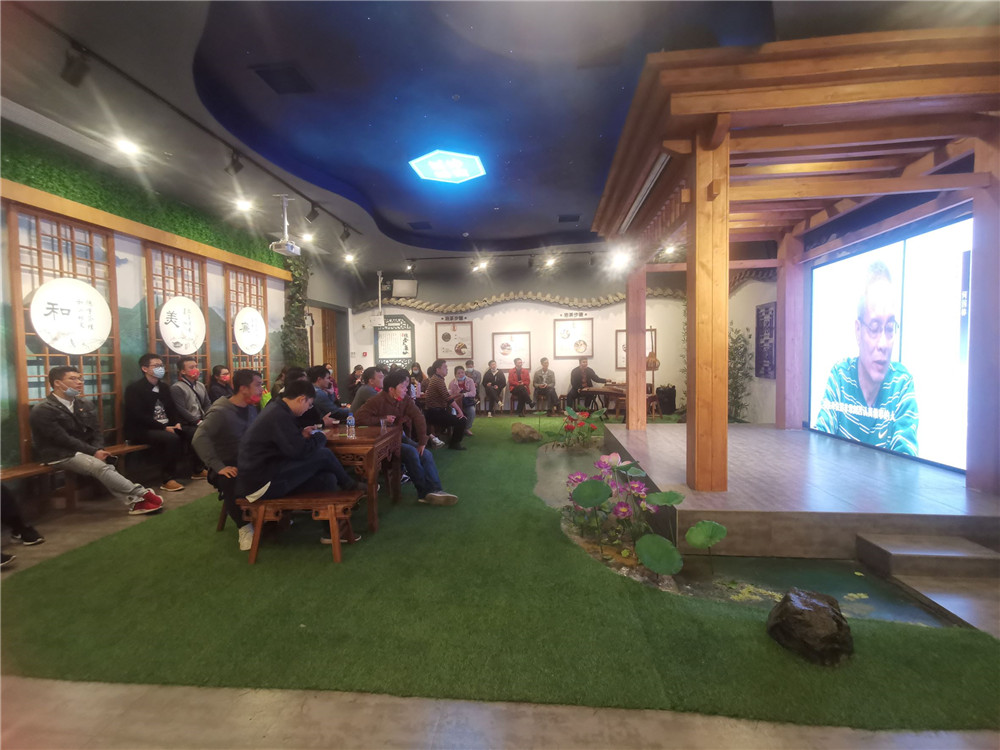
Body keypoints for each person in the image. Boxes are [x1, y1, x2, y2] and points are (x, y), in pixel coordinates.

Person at [236, 378, 365, 544]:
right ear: (301, 399)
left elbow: (288, 445)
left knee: (327, 479)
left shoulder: (278, 410)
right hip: (261, 482)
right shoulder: (278, 415)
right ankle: (350, 485)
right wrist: (319, 437)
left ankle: (332, 532)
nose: (308, 409)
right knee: (323, 455)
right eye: (309, 405)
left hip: (269, 474)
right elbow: (299, 452)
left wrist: (302, 434)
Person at [815, 261, 918, 455]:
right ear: (858, 330)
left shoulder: (902, 384)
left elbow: (906, 461)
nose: (883, 344)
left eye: (889, 328)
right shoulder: (840, 376)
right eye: (874, 328)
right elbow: (819, 445)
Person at [32, 365, 164, 515]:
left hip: (85, 450)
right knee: (99, 466)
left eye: (80, 378)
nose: (79, 382)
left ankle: (137, 501)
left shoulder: (84, 404)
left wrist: (98, 449)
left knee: (102, 464)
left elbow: (96, 430)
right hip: (58, 453)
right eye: (73, 379)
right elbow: (62, 439)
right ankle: (141, 494)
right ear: (57, 383)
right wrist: (93, 451)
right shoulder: (43, 409)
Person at [355, 369, 458, 506]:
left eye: (406, 386)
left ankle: (436, 490)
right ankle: (424, 493)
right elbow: (358, 418)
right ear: (391, 389)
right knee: (411, 453)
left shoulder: (405, 399)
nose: (406, 389)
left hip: (397, 437)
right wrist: (382, 419)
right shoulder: (376, 400)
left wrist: (422, 442)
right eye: (402, 387)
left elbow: (418, 417)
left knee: (425, 453)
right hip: (382, 442)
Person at [192, 369, 263, 551]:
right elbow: (199, 438)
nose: (261, 389)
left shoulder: (251, 407)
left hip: (247, 460)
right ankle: (244, 527)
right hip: (227, 464)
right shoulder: (220, 411)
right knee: (231, 479)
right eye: (258, 385)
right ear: (243, 388)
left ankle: (270, 515)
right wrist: (218, 466)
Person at [124, 353, 185, 492]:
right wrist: (163, 427)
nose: (161, 368)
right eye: (156, 366)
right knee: (172, 438)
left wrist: (176, 423)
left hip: (164, 426)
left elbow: (172, 409)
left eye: (161, 365)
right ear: (145, 368)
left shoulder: (164, 387)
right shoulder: (134, 389)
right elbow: (138, 416)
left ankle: (194, 470)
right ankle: (167, 479)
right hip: (142, 429)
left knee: (187, 432)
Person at [170, 356, 211, 479]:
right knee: (198, 434)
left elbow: (207, 404)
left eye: (196, 366)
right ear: (183, 371)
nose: (196, 369)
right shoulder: (177, 387)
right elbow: (181, 409)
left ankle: (211, 464)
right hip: (185, 423)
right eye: (191, 367)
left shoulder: (200, 385)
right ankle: (197, 470)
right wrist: (197, 421)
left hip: (201, 420)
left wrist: (209, 418)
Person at [424, 359, 466, 450]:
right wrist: (460, 411)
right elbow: (448, 398)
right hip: (434, 413)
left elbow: (446, 397)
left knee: (461, 417)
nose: (447, 369)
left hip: (437, 411)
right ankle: (454, 444)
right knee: (462, 420)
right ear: (438, 369)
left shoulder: (437, 379)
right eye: (445, 367)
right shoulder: (437, 380)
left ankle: (451, 441)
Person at [449, 364, 477, 436]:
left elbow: (473, 393)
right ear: (455, 374)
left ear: (465, 372)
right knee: (451, 412)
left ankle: (466, 428)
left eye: (462, 372)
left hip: (467, 402)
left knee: (472, 411)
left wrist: (464, 394)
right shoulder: (452, 383)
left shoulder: (470, 381)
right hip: (456, 403)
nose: (461, 374)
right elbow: (450, 395)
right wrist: (457, 394)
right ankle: (454, 429)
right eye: (458, 373)